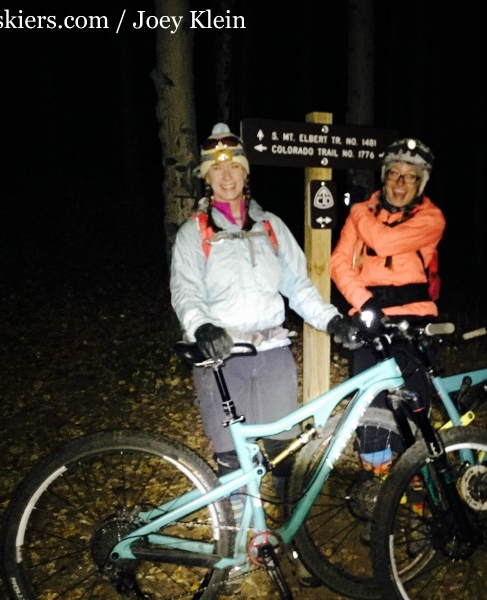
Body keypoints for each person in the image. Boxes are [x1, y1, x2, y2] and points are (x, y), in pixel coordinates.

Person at [170, 123, 356, 587]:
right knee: (232, 461)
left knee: (281, 455)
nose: (227, 175)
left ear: (245, 173)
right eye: (218, 169)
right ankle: (232, 552)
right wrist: (202, 326)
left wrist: (331, 319)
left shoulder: (271, 226)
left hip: (272, 351)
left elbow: (298, 285)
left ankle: (282, 545)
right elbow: (185, 291)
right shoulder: (194, 234)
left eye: (234, 166)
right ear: (207, 179)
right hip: (221, 356)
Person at [329, 137, 446, 473]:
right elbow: (339, 264)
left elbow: (385, 241)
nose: (399, 182)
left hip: (415, 324)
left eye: (409, 176)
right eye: (394, 173)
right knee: (372, 412)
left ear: (420, 183)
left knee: (414, 411)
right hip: (371, 321)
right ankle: (377, 490)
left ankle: (420, 495)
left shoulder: (432, 217)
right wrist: (365, 302)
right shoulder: (363, 214)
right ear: (384, 176)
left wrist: (356, 212)